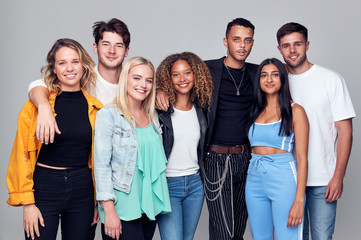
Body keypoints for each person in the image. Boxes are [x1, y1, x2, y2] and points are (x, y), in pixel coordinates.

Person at [156, 18, 258, 240]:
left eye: (247, 40)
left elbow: (279, 92)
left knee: (238, 228)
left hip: (246, 159)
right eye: (236, 39)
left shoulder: (258, 73)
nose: (242, 45)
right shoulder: (206, 70)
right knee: (223, 232)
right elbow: (177, 78)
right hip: (216, 160)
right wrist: (158, 90)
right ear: (225, 41)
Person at [6, 38, 103, 240]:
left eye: (75, 61)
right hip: (44, 187)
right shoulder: (35, 107)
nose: (69, 68)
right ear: (54, 69)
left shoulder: (95, 108)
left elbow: (97, 159)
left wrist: (96, 201)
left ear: (83, 66)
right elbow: (21, 155)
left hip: (82, 188)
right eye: (62, 63)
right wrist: (28, 204)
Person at [277, 22, 356, 240]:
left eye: (297, 44)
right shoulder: (276, 82)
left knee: (322, 237)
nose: (292, 50)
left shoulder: (331, 79)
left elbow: (345, 132)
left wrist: (338, 176)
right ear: (279, 50)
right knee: (292, 238)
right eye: (286, 46)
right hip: (289, 178)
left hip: (323, 179)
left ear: (307, 45)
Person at [93, 57, 171, 240]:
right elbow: (101, 165)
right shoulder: (108, 115)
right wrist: (109, 210)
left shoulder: (153, 118)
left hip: (148, 205)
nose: (143, 84)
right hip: (122, 206)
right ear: (125, 79)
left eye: (148, 80)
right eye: (136, 78)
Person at [28, 18, 130, 144]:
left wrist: (159, 92)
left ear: (126, 51)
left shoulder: (133, 84)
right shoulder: (83, 77)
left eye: (118, 46)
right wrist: (44, 106)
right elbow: (37, 85)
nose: (112, 51)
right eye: (105, 44)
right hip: (90, 158)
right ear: (95, 47)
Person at [245, 58, 308, 239]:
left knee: (287, 236)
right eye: (264, 75)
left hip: (283, 180)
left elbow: (302, 159)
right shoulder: (255, 110)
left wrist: (299, 200)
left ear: (282, 78)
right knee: (260, 237)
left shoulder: (295, 111)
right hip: (254, 179)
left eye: (274, 75)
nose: (269, 80)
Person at [155, 52, 213, 240]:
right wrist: (156, 91)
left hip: (195, 185)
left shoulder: (201, 109)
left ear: (196, 75)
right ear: (168, 78)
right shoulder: (159, 110)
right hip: (168, 184)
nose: (182, 79)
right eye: (176, 74)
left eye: (187, 73)